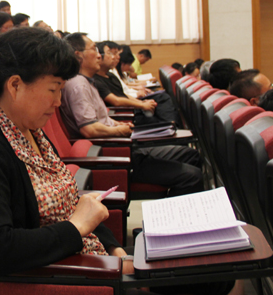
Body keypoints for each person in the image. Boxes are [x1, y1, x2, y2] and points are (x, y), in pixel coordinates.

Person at [0, 27, 130, 276]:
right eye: (53, 89)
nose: (58, 101)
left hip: (97, 262)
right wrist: (76, 228)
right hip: (64, 278)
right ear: (15, 85)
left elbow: (73, 207)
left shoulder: (33, 132)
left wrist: (115, 249)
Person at [61, 33, 203, 198]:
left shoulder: (87, 82)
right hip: (115, 154)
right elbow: (89, 129)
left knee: (191, 155)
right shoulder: (78, 85)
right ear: (78, 55)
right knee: (192, 176)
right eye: (94, 49)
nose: (99, 55)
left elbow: (102, 119)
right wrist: (119, 130)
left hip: (122, 145)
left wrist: (119, 125)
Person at [95, 41, 180, 125]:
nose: (114, 57)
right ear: (99, 57)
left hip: (131, 108)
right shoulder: (96, 80)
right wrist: (142, 105)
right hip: (124, 113)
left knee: (161, 101)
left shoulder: (111, 75)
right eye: (110, 53)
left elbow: (123, 94)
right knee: (160, 105)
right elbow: (116, 101)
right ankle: (170, 127)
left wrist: (141, 103)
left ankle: (171, 127)